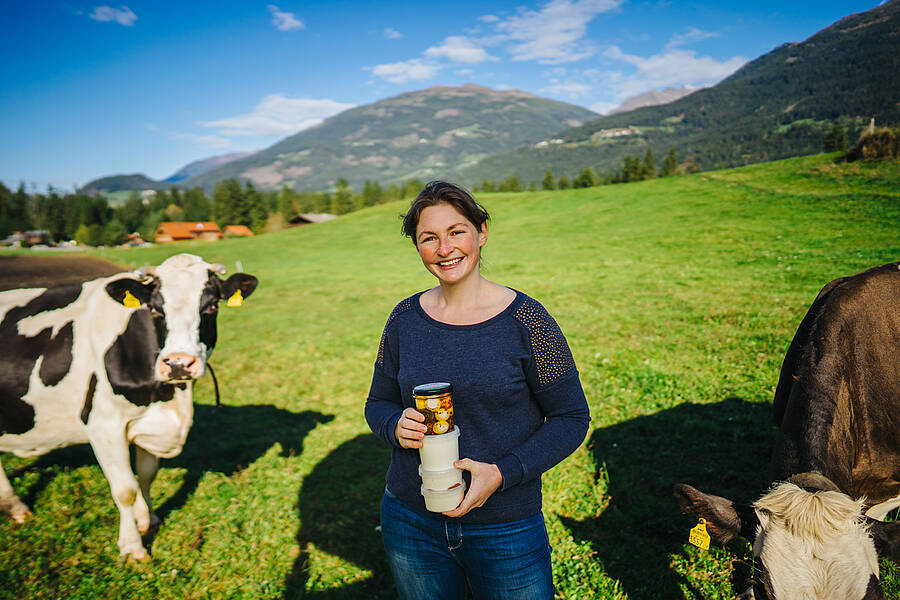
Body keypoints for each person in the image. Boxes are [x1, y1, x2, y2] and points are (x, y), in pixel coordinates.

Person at [365, 181, 590, 599]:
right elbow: (377, 403)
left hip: (505, 526)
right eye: (429, 238)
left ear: (482, 232)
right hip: (411, 520)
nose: (444, 248)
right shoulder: (403, 319)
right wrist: (393, 425)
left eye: (457, 232)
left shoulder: (529, 320)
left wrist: (503, 473)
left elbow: (571, 417)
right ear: (417, 247)